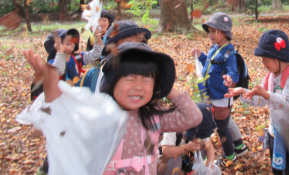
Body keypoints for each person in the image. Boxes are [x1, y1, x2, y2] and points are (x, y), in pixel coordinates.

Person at [23, 41, 202, 175]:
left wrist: (165, 85)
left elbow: (193, 117)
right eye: (129, 78)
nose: (138, 86)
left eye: (146, 80)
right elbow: (60, 120)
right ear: (111, 83)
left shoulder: (154, 117)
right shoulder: (99, 115)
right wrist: (49, 84)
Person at [226, 30, 289, 175]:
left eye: (265, 58)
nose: (263, 63)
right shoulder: (270, 77)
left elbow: (288, 102)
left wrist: (266, 94)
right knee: (277, 168)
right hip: (275, 132)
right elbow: (262, 99)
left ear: (278, 58)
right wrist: (244, 93)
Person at [192, 12, 247, 164]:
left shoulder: (229, 54)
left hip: (222, 96)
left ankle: (230, 157)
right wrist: (201, 56)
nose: (210, 34)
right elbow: (209, 63)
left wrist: (230, 79)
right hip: (214, 94)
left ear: (224, 33)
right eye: (209, 31)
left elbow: (233, 72)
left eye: (214, 31)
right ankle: (240, 147)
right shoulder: (214, 48)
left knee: (222, 127)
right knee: (227, 122)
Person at [157, 102, 217, 175]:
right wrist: (185, 148)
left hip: (187, 159)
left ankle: (190, 170)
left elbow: (209, 147)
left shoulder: (201, 129)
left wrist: (210, 167)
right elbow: (165, 151)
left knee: (202, 149)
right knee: (176, 160)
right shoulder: (173, 126)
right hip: (169, 160)